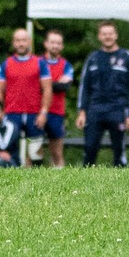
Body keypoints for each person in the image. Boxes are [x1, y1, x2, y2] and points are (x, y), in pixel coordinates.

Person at [75, 22, 129, 167]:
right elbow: (84, 87)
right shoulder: (93, 58)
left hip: (118, 110)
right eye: (104, 34)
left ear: (116, 35)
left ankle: (121, 182)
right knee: (90, 148)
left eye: (110, 33)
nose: (108, 37)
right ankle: (84, 181)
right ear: (99, 36)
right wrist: (82, 111)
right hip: (95, 110)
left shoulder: (127, 57)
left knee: (119, 150)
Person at [0, 27, 52, 158]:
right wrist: (0, 112)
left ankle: (37, 178)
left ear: (29, 42)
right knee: (11, 151)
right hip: (11, 113)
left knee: (35, 153)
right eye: (17, 40)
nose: (21, 44)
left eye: (24, 40)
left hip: (34, 114)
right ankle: (12, 177)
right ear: (13, 43)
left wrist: (43, 112)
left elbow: (47, 89)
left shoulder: (40, 63)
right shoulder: (6, 64)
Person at [34, 29, 73, 166]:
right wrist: (55, 82)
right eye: (52, 42)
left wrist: (44, 84)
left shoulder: (66, 65)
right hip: (36, 111)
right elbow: (32, 84)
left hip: (56, 112)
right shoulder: (36, 62)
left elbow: (64, 86)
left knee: (56, 152)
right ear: (46, 44)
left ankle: (60, 183)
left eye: (58, 43)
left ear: (62, 46)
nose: (55, 46)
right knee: (33, 152)